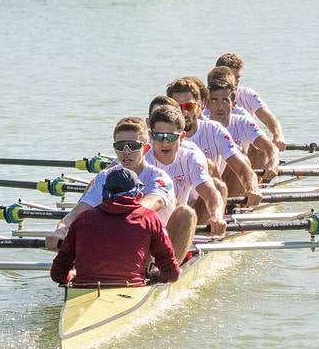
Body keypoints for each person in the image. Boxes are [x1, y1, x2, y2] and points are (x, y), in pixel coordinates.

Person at [46, 117, 174, 250]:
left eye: (133, 146)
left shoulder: (159, 177)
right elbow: (80, 211)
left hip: (155, 245)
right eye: (120, 146)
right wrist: (61, 230)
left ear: (146, 149)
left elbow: (148, 206)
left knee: (184, 213)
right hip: (120, 240)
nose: (126, 152)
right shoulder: (105, 176)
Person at [49, 167, 180, 288]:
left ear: (105, 194)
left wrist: (71, 275)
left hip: (85, 289)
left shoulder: (83, 219)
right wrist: (155, 276)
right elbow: (172, 274)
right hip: (131, 288)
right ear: (138, 194)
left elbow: (57, 274)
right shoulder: (149, 218)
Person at [145, 100, 227, 258]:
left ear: (182, 136)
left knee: (187, 212)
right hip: (147, 229)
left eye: (170, 136)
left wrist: (216, 215)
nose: (164, 142)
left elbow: (210, 193)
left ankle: (167, 269)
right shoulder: (141, 157)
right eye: (158, 136)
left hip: (177, 227)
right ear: (150, 135)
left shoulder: (191, 156)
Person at [165, 76, 262, 205]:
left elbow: (243, 170)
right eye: (178, 107)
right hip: (174, 207)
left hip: (206, 204)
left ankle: (224, 212)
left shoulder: (214, 130)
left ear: (201, 105)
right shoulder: (160, 136)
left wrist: (252, 188)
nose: (184, 112)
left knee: (238, 159)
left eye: (189, 106)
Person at [204, 66, 280, 182]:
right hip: (209, 181)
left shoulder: (243, 121)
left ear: (233, 104)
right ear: (207, 104)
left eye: (225, 100)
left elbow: (270, 147)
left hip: (236, 179)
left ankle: (255, 185)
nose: (220, 107)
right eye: (214, 100)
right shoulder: (200, 125)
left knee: (242, 153)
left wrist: (273, 162)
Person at [213, 53, 286, 150]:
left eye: (238, 77)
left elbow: (268, 118)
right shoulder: (206, 97)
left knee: (257, 143)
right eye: (231, 77)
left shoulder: (248, 94)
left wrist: (278, 136)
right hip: (217, 147)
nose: (235, 82)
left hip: (247, 150)